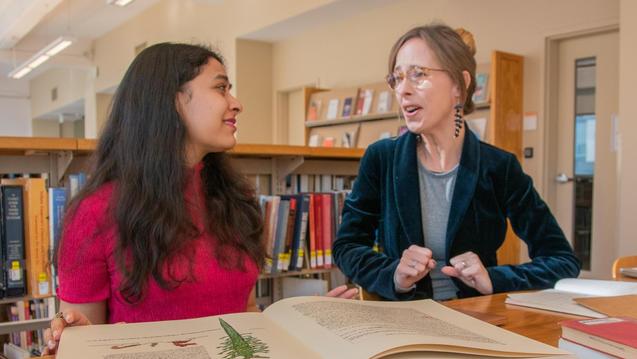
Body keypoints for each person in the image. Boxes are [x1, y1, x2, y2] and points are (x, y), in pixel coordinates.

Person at [43, 43, 357, 355]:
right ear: (171, 100)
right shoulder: (94, 214)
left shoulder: (233, 199)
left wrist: (302, 326)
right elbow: (80, 338)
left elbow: (243, 314)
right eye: (221, 88)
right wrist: (71, 340)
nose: (236, 104)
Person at [333, 24, 580, 302]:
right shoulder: (381, 159)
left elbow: (561, 260)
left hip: (478, 319)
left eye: (418, 74)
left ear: (459, 86)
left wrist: (493, 279)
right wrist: (393, 274)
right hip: (403, 322)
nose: (403, 90)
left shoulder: (499, 166)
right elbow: (347, 246)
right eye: (397, 78)